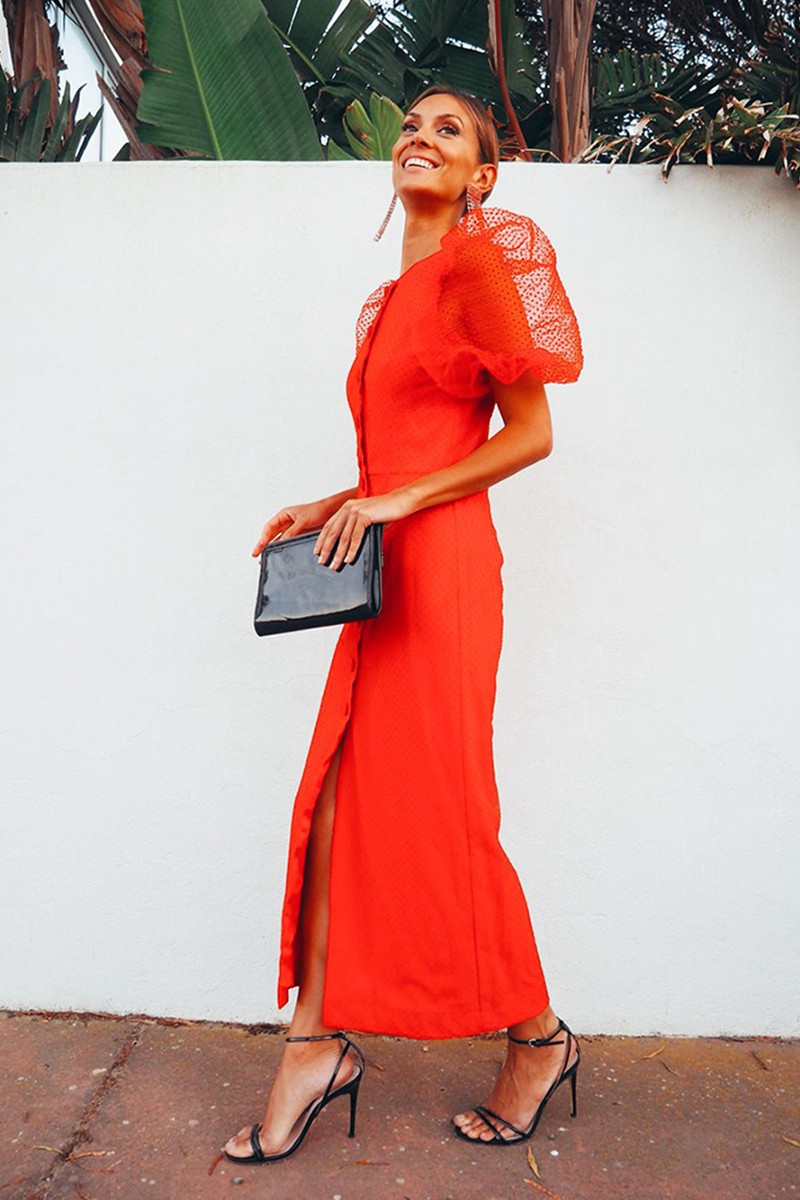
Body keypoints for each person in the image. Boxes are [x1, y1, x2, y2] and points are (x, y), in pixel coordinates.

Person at [223, 84, 585, 1166]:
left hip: (443, 573)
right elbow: (405, 452)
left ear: (480, 175)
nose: (418, 137)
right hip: (381, 564)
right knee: (336, 799)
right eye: (411, 124)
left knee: (445, 811)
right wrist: (338, 500)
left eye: (449, 130)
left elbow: (529, 436)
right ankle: (314, 1042)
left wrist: (390, 502)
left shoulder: (476, 269)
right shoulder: (389, 298)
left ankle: (536, 1038)